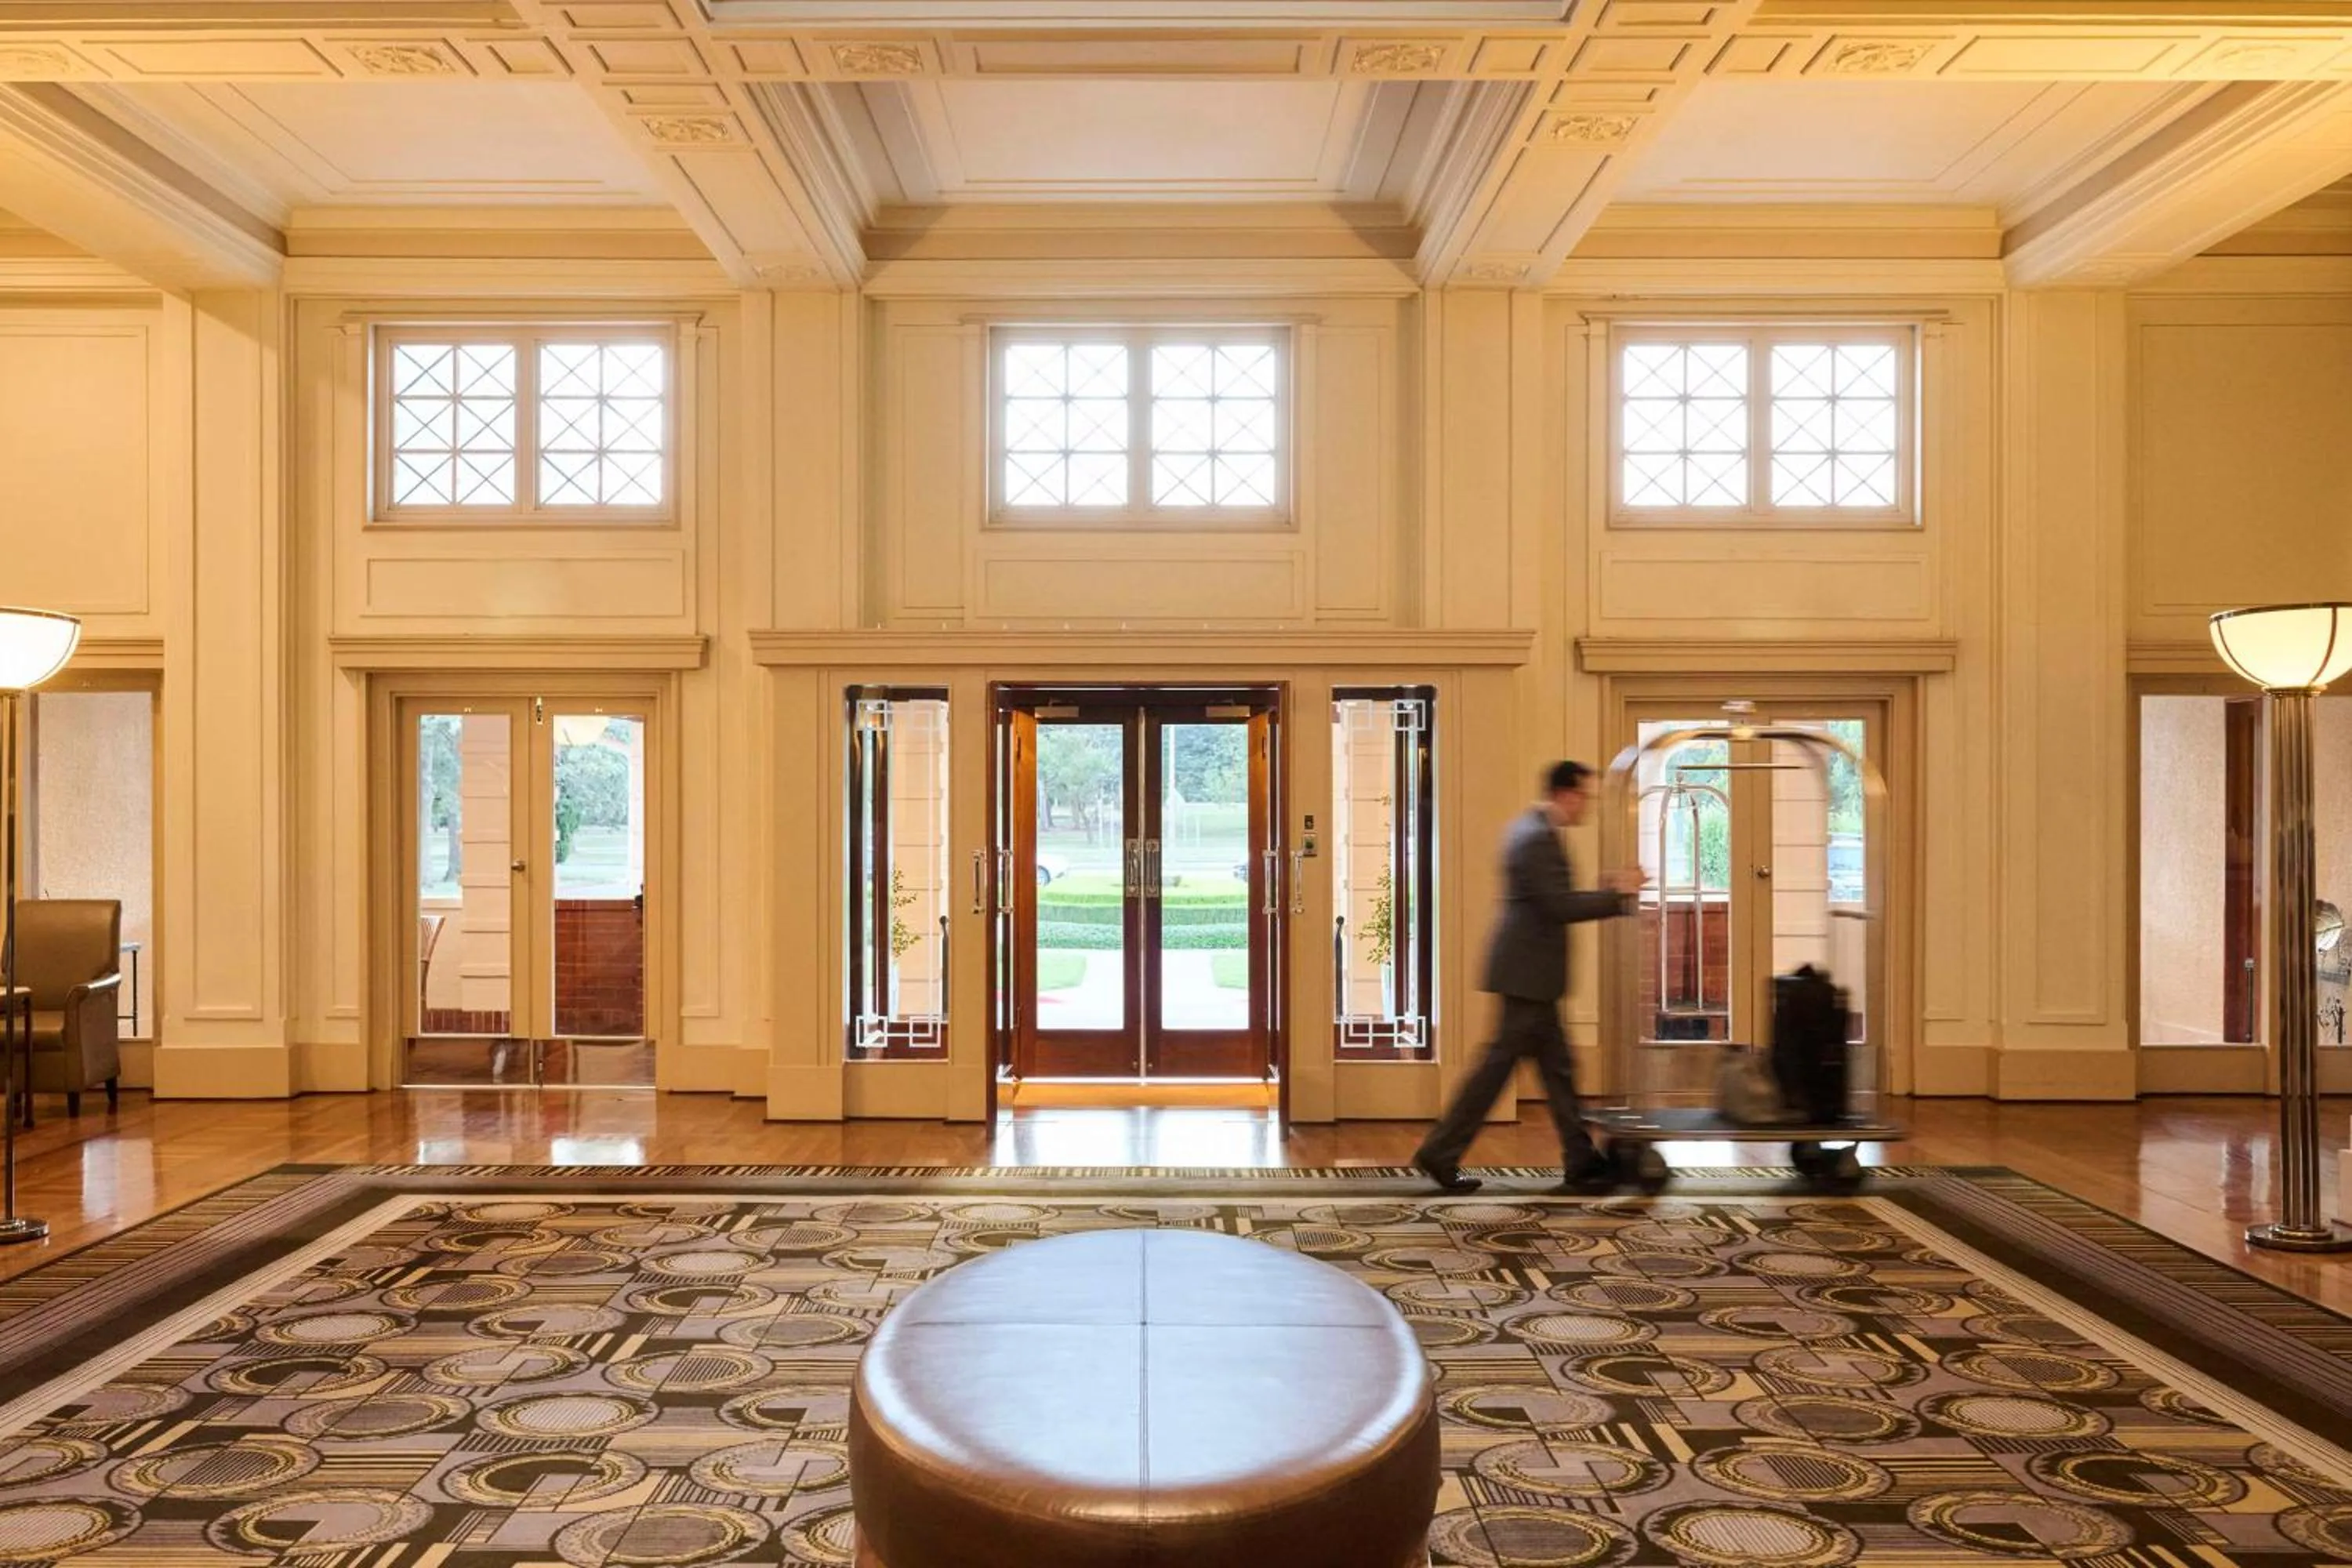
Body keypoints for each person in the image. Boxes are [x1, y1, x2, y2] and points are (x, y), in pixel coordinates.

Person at [1414, 760, 1640, 1196]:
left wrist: (1609, 892)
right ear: (1567, 793)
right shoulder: (1537, 838)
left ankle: (1581, 1161)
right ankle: (1440, 1153)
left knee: (1557, 1070)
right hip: (1527, 977)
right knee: (1497, 1072)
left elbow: (1553, 900)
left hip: (1530, 976)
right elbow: (1559, 906)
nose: (1587, 807)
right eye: (1585, 797)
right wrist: (1619, 896)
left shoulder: (1532, 830)